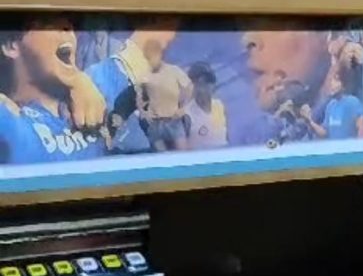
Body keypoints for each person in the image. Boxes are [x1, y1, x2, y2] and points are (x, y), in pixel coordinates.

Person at [0, 14, 176, 164]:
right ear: (11, 45)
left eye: (70, 23)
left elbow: (154, 34)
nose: (68, 30)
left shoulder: (96, 89)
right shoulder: (12, 123)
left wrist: (78, 80)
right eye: (47, 23)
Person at [138, 39, 193, 152]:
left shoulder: (173, 70)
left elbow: (189, 88)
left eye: (152, 57)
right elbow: (139, 97)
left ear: (159, 54)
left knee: (184, 156)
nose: (150, 61)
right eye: (148, 58)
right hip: (155, 124)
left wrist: (183, 108)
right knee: (162, 158)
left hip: (174, 121)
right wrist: (143, 113)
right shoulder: (144, 76)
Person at [300, 63, 363, 140]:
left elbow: (362, 129)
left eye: (336, 80)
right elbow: (324, 133)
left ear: (344, 84)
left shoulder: (352, 102)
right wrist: (309, 121)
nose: (332, 84)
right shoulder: (330, 105)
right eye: (331, 80)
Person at [184, 61, 228, 150]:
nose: (201, 90)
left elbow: (225, 138)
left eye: (205, 84)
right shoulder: (186, 114)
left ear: (213, 85)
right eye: (197, 85)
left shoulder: (220, 106)